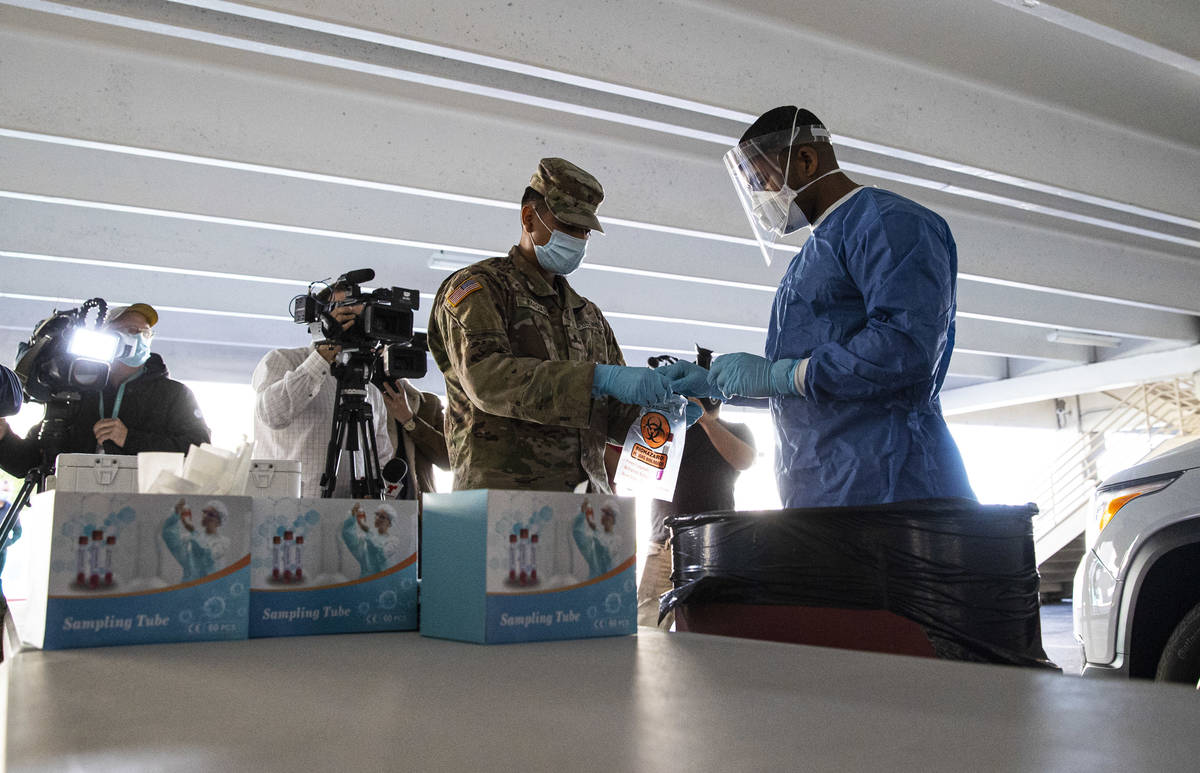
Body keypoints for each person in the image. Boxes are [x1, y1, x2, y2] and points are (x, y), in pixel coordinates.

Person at [665, 106, 975, 508]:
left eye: (761, 180)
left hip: (893, 487)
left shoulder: (890, 223)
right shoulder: (817, 250)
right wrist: (721, 384)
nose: (759, 198)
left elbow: (904, 348)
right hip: (826, 492)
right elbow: (813, 382)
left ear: (806, 160)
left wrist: (781, 375)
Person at [427, 157, 671, 492]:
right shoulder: (479, 289)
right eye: (569, 226)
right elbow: (487, 379)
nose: (579, 239)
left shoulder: (588, 315)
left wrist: (666, 404)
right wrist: (597, 378)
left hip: (586, 506)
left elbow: (615, 419)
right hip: (501, 501)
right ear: (529, 217)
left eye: (585, 230)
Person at [0, 303, 211, 479]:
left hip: (147, 513)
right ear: (106, 337)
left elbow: (200, 450)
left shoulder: (173, 394)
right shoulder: (76, 389)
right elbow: (31, 462)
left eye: (145, 332)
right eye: (129, 330)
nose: (138, 338)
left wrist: (130, 439)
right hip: (75, 511)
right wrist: (4, 438)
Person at [252, 281, 394, 498]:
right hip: (289, 511)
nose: (351, 325)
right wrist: (322, 356)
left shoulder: (370, 390)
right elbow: (272, 415)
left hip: (355, 516)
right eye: (343, 316)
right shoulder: (283, 360)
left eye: (358, 317)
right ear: (320, 321)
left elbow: (381, 457)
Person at [637, 397, 755, 629]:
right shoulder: (669, 428)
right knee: (646, 624)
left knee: (705, 621)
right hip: (663, 543)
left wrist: (706, 421)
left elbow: (744, 460)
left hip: (711, 544)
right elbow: (641, 462)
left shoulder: (736, 429)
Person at [378, 379, 449, 499]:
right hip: (373, 502)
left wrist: (409, 420)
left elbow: (449, 460)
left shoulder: (428, 403)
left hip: (420, 505)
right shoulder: (361, 401)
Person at [162, 499, 230, 582]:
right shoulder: (190, 538)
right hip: (188, 587)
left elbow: (209, 557)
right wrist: (175, 515)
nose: (205, 516)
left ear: (219, 522)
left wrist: (193, 532)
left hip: (209, 588)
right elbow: (172, 540)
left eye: (211, 514)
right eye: (204, 512)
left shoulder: (223, 542)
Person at [341, 502, 402, 577]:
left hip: (384, 582)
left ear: (390, 523)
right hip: (365, 581)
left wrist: (367, 531)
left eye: (382, 517)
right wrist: (352, 517)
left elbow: (381, 555)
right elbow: (348, 537)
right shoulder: (364, 538)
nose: (377, 518)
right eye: (377, 514)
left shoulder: (393, 541)